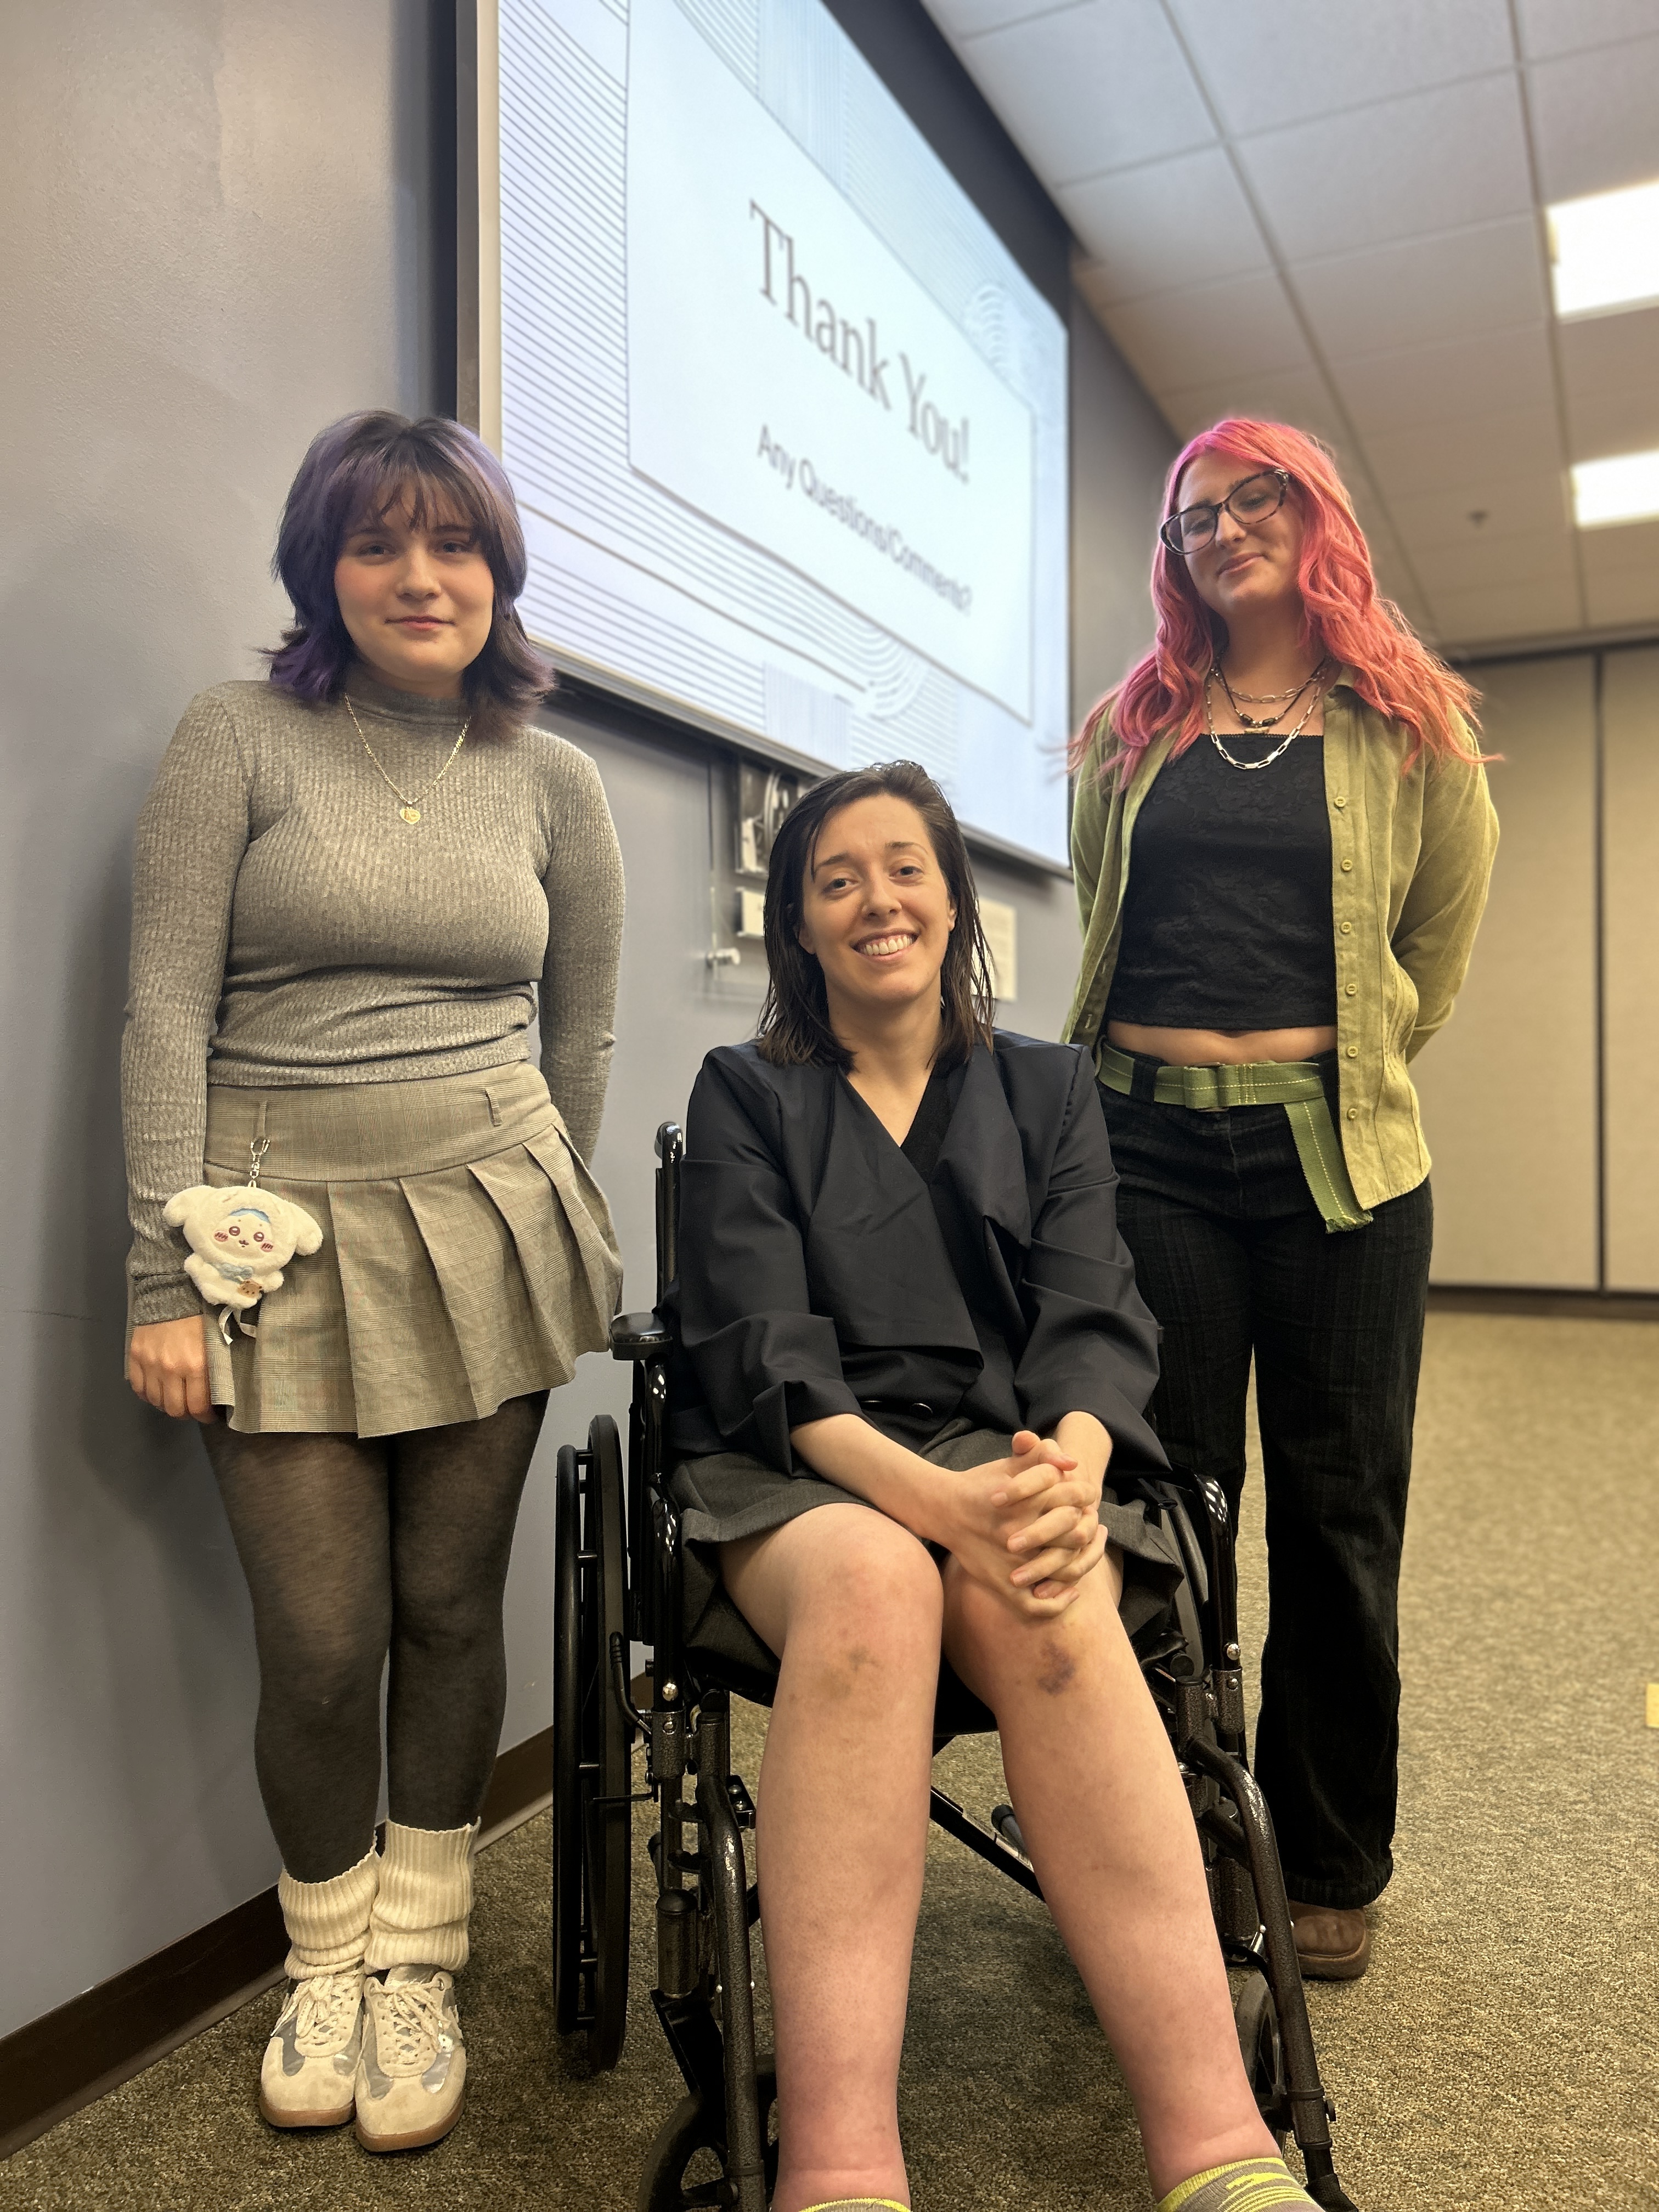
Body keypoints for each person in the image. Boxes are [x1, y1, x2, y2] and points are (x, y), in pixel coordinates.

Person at [666, 759, 1325, 2212]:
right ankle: (837, 2165)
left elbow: (1096, 1314)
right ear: (798, 925)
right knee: (872, 1580)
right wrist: (935, 1504)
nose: (875, 900)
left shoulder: (1046, 1088)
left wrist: (1061, 1482)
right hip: (810, 1475)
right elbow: (762, 1356)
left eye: (905, 868)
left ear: (957, 900)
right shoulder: (746, 1097)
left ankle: (1219, 2148)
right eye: (835, 879)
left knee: (1048, 1589)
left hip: (1020, 1456)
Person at [122, 411, 625, 2149]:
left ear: (501, 575)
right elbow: (164, 1015)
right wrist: (156, 1273)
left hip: (487, 1222)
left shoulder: (555, 780)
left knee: (447, 1610)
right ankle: (322, 1956)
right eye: (380, 545)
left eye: (458, 546)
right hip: (265, 1241)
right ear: (322, 572)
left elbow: (588, 1031)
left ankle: (419, 1961)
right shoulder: (234, 738)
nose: (425, 578)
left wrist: (546, 1212)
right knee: (323, 1644)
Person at [1065, 418, 1498, 1982]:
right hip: (1147, 1147)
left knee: (1337, 1511)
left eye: (1259, 499)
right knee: (1174, 1515)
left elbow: (1430, 959)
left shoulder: (1410, 720)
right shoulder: (1137, 723)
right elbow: (1107, 924)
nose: (1226, 528)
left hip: (1341, 1162)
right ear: (1175, 557)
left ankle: (1325, 1857)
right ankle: (1172, 1842)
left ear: (1315, 519)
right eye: (1197, 515)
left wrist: (1338, 1064)